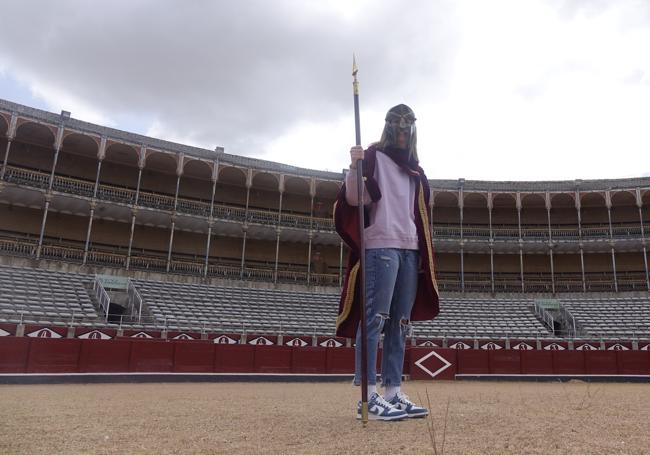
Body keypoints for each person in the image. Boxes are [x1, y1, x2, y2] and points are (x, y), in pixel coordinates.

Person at [333, 104, 440, 421]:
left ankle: (392, 392)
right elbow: (356, 199)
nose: (403, 132)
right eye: (398, 126)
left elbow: (418, 216)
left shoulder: (416, 170)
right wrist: (354, 167)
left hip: (409, 248)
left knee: (400, 323)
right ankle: (367, 397)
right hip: (381, 244)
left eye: (408, 127)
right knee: (375, 319)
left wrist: (420, 252)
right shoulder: (373, 156)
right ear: (389, 127)